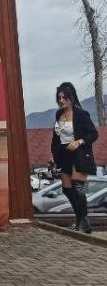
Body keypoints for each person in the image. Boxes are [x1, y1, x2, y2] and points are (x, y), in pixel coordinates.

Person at [50, 82, 99, 233]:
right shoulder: (58, 115)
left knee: (78, 187)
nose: (61, 100)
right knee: (67, 189)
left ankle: (84, 222)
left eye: (64, 98)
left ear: (71, 98)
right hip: (63, 155)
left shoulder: (81, 114)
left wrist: (79, 142)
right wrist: (52, 155)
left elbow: (93, 134)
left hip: (79, 154)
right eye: (59, 98)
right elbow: (55, 138)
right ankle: (80, 220)